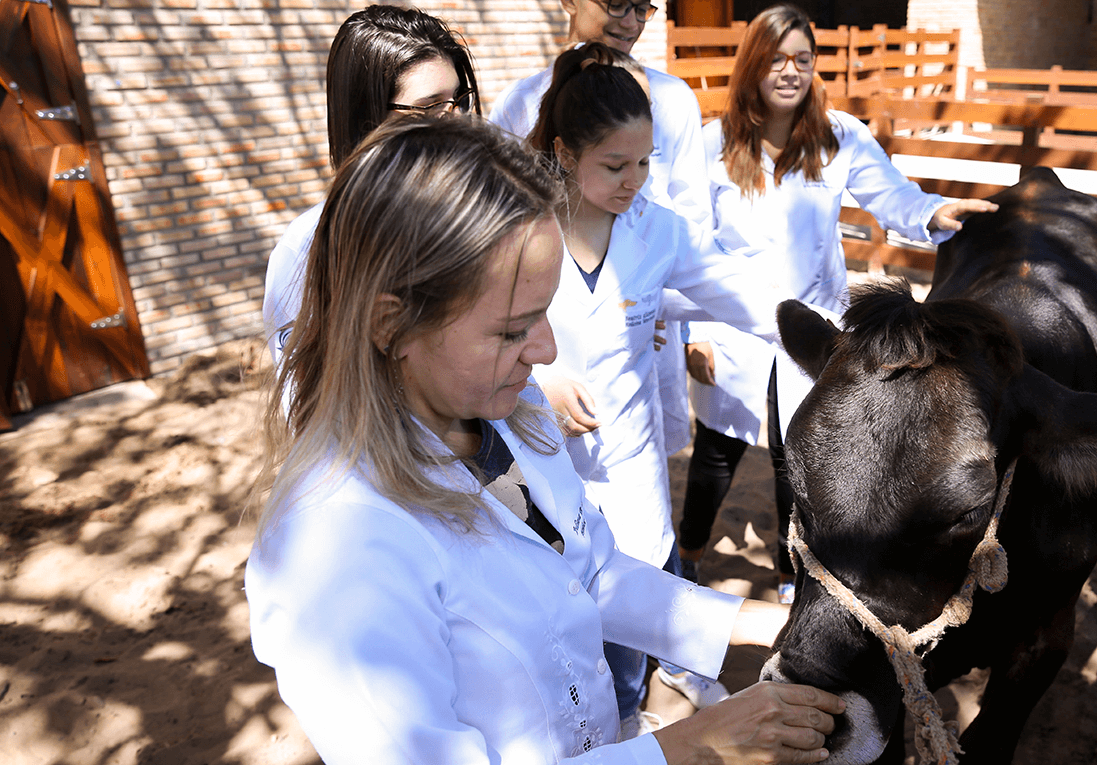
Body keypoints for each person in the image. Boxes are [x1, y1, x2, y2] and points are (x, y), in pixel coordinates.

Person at [245, 113, 844, 765]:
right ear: (392, 325)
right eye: (511, 329)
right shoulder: (338, 547)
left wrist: (759, 625)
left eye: (545, 313)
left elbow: (586, 571)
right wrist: (687, 747)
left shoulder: (497, 411)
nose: (548, 350)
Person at [676, 4, 998, 601]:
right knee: (715, 454)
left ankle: (787, 576)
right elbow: (688, 245)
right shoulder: (711, 144)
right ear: (754, 64)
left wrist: (931, 212)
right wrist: (693, 332)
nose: (790, 71)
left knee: (795, 459)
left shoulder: (838, 135)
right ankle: (688, 558)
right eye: (777, 59)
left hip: (813, 329)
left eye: (803, 59)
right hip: (733, 328)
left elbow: (890, 193)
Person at [528, 42, 797, 735]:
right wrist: (538, 377)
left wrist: (828, 337)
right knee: (560, 628)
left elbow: (739, 292)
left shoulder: (656, 230)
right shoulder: (517, 226)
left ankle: (633, 716)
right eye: (615, 166)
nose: (634, 181)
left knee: (635, 610)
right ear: (562, 152)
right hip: (536, 465)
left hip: (630, 460)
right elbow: (471, 326)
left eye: (645, 163)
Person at [489, 0, 702, 467]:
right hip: (546, 338)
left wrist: (659, 302)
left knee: (640, 477)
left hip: (644, 327)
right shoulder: (519, 102)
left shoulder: (674, 98)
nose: (630, 21)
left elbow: (693, 220)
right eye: (616, 3)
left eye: (643, 8)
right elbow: (494, 234)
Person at [262, 4, 480, 366]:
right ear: (368, 119)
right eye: (430, 109)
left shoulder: (476, 211)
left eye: (459, 101)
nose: (457, 123)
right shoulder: (307, 250)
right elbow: (305, 404)